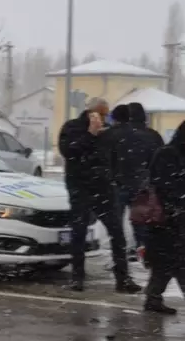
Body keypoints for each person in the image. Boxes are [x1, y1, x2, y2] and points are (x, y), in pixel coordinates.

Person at [58, 97, 140, 293]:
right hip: (80, 186)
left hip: (104, 188)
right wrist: (90, 134)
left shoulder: (109, 133)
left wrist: (114, 178)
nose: (105, 118)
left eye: (106, 115)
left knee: (117, 233)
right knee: (79, 231)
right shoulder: (73, 128)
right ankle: (77, 277)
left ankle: (123, 278)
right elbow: (69, 151)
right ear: (91, 113)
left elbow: (113, 158)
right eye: (102, 114)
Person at [142, 117, 185, 314]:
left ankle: (153, 298)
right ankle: (153, 298)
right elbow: (164, 186)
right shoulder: (167, 154)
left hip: (178, 220)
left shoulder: (179, 154)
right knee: (178, 261)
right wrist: (178, 205)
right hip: (167, 220)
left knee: (168, 263)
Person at [118, 101, 165, 258]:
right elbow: (161, 160)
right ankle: (142, 248)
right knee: (141, 220)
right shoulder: (153, 135)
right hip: (143, 185)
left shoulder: (119, 134)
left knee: (115, 221)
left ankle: (118, 250)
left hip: (118, 183)